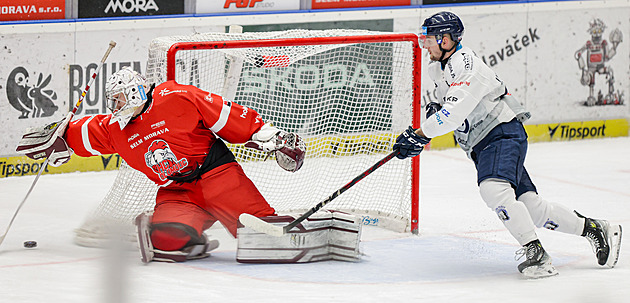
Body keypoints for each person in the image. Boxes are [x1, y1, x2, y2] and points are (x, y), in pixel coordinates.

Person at [393, 11, 622, 278]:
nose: (425, 44)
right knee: (532, 207)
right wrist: (434, 115)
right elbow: (455, 110)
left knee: (493, 189)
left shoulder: (466, 65)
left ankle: (536, 255)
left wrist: (420, 134)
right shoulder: (439, 68)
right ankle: (595, 228)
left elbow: (452, 116)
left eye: (428, 39)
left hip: (501, 134)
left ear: (446, 40)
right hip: (483, 143)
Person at [16, 67, 308, 263]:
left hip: (218, 176)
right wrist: (58, 137)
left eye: (118, 100)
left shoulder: (176, 97)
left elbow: (227, 115)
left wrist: (272, 137)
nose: (114, 107)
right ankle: (192, 240)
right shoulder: (115, 129)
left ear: (134, 93)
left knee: (265, 239)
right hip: (178, 191)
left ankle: (316, 231)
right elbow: (80, 132)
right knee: (167, 239)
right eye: (112, 101)